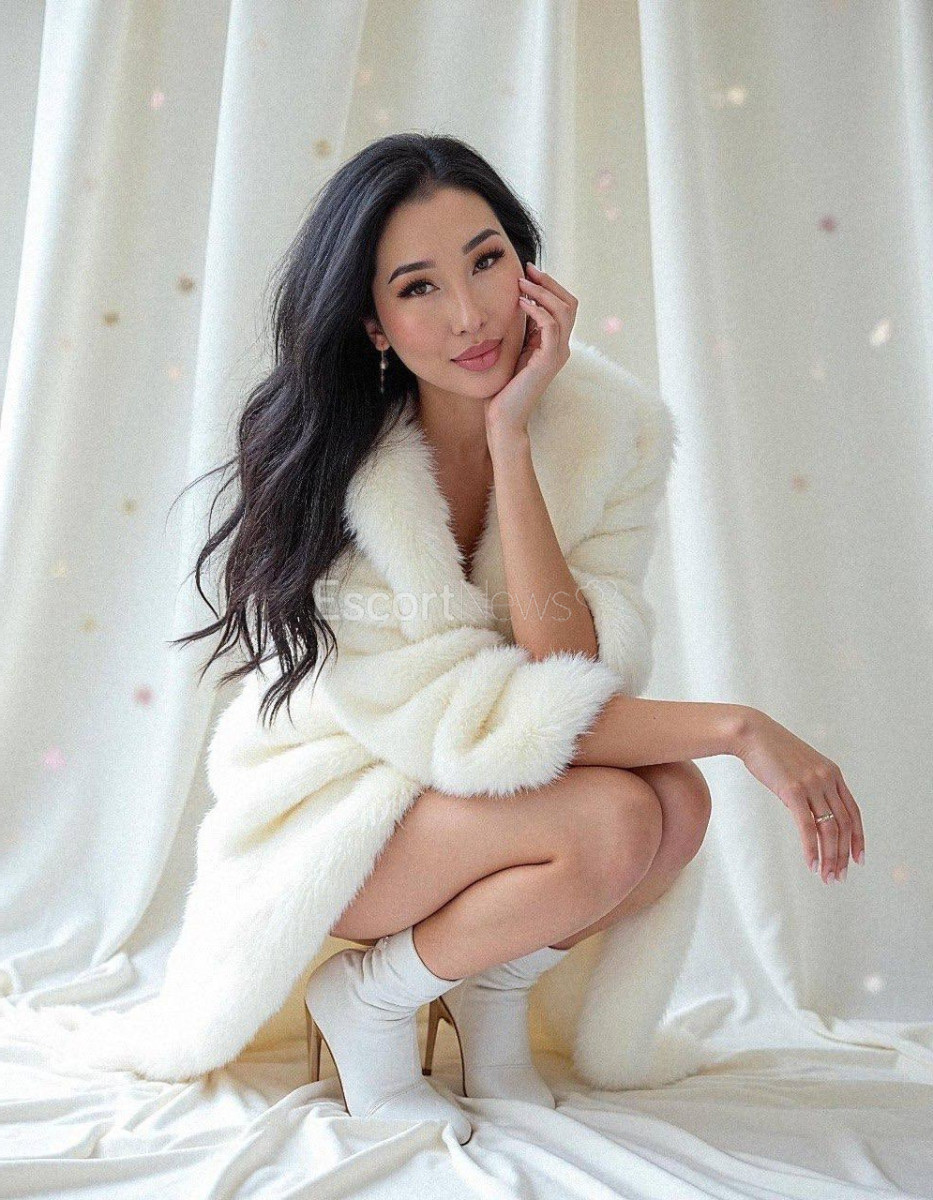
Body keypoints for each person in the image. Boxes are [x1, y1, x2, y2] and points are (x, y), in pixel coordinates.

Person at [171, 133, 866, 1145]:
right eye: (418, 287)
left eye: (487, 260)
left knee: (675, 802)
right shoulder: (338, 469)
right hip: (338, 806)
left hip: (475, 784)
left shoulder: (611, 427)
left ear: (529, 269)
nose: (470, 314)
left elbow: (571, 677)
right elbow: (474, 728)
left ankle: (490, 995)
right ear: (370, 321)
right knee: (614, 819)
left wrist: (511, 440)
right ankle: (367, 1000)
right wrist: (738, 725)